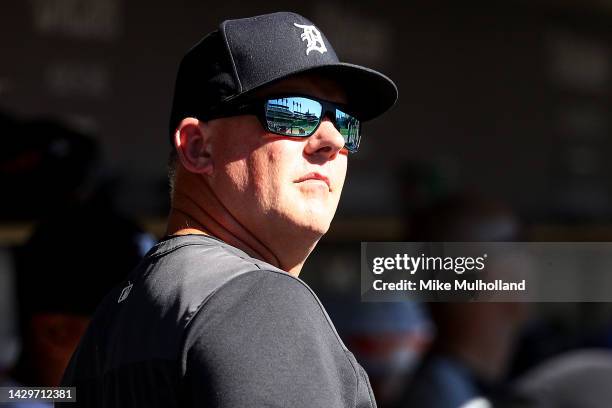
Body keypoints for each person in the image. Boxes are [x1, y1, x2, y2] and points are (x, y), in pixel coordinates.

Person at [59, 11, 397, 407]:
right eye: (293, 111)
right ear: (197, 147)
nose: (332, 139)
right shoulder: (261, 304)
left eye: (345, 121)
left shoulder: (108, 327)